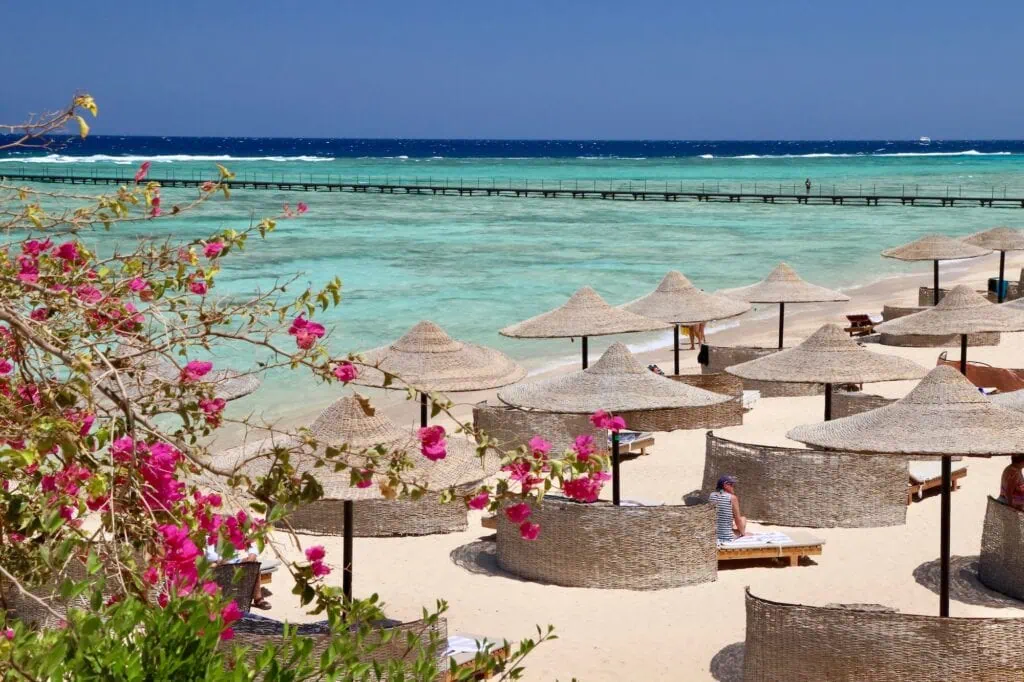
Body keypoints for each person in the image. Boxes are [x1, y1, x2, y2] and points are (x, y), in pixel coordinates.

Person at [206, 541, 272, 609]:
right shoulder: (211, 533)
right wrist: (222, 561)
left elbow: (251, 544)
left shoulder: (235, 531)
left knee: (254, 562)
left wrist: (251, 557)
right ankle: (216, 599)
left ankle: (258, 597)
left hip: (235, 562)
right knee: (213, 566)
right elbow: (210, 555)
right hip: (217, 563)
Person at [709, 475, 746, 541]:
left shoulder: (711, 495)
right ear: (725, 485)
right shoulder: (732, 498)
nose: (733, 487)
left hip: (713, 535)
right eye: (731, 485)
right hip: (727, 537)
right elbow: (738, 520)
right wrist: (744, 535)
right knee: (743, 519)